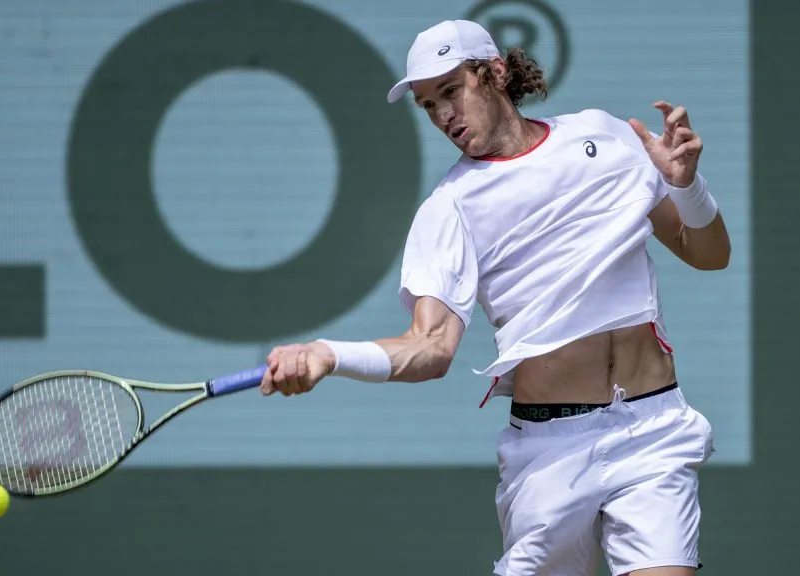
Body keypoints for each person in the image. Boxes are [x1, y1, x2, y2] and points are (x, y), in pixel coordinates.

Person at [258, 18, 730, 576]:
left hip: (653, 430)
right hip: (551, 453)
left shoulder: (604, 136)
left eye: (451, 91)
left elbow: (705, 252)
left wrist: (686, 186)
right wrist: (329, 355)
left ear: (496, 73)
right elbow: (430, 348)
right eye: (429, 106)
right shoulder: (450, 207)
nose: (443, 116)